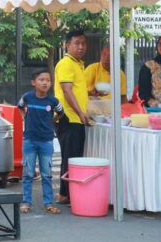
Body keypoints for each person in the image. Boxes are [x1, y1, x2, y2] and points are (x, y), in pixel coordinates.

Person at [17, 70, 63, 214]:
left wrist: (52, 121)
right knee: (28, 173)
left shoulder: (53, 101)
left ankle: (48, 202)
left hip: (47, 141)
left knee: (47, 174)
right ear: (33, 82)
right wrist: (25, 118)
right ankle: (26, 202)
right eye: (41, 79)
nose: (45, 82)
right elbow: (19, 107)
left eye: (48, 80)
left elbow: (61, 113)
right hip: (29, 140)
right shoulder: (27, 98)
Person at [54, 30, 90, 205]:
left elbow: (75, 89)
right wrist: (80, 113)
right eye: (77, 43)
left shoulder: (78, 64)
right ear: (67, 45)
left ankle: (68, 192)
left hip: (75, 117)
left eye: (83, 43)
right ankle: (63, 193)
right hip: (69, 117)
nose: (81, 47)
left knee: (74, 156)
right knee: (70, 157)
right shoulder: (66, 63)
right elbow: (67, 91)